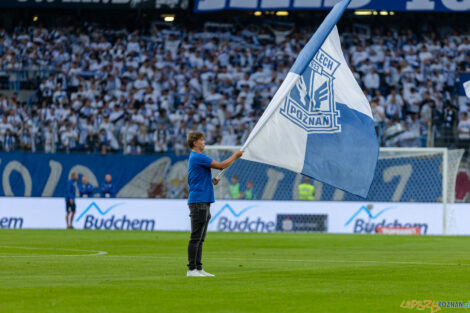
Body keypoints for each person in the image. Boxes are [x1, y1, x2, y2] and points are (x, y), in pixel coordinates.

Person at [186, 131, 243, 277]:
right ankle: (191, 269)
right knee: (196, 237)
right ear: (195, 143)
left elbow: (195, 180)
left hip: (202, 200)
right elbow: (221, 165)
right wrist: (235, 156)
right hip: (199, 201)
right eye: (202, 140)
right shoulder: (198, 156)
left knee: (200, 238)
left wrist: (211, 182)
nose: (204, 142)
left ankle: (198, 268)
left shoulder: (195, 158)